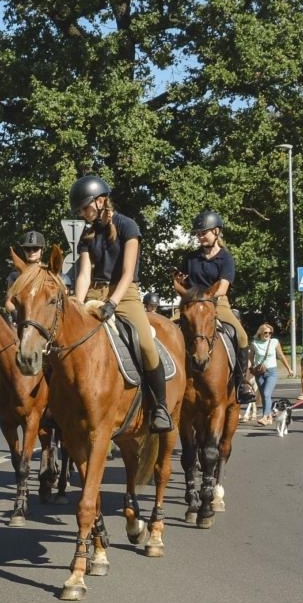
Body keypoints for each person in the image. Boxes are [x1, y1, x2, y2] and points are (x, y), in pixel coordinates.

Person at [69, 174, 172, 432]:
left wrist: (113, 303)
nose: (82, 213)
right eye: (80, 210)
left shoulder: (128, 226)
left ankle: (159, 405)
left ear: (101, 200)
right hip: (95, 292)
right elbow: (84, 274)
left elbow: (127, 273)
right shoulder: (87, 235)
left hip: (124, 294)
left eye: (85, 207)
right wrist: (78, 305)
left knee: (146, 344)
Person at [180, 209, 252, 397]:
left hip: (218, 303)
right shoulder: (190, 258)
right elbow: (184, 284)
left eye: (204, 232)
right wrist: (178, 282)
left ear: (217, 232)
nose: (200, 236)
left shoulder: (225, 258)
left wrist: (208, 298)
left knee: (242, 337)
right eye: (198, 233)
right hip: (192, 306)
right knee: (168, 329)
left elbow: (223, 287)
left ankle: (242, 382)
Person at [248, 322, 294, 425]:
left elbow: (281, 355)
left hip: (271, 372)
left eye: (270, 333)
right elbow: (251, 358)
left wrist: (289, 369)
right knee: (265, 396)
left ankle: (264, 417)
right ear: (260, 333)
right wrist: (251, 369)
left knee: (266, 393)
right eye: (265, 332)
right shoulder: (254, 343)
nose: (268, 334)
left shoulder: (274, 342)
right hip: (259, 373)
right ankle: (269, 417)